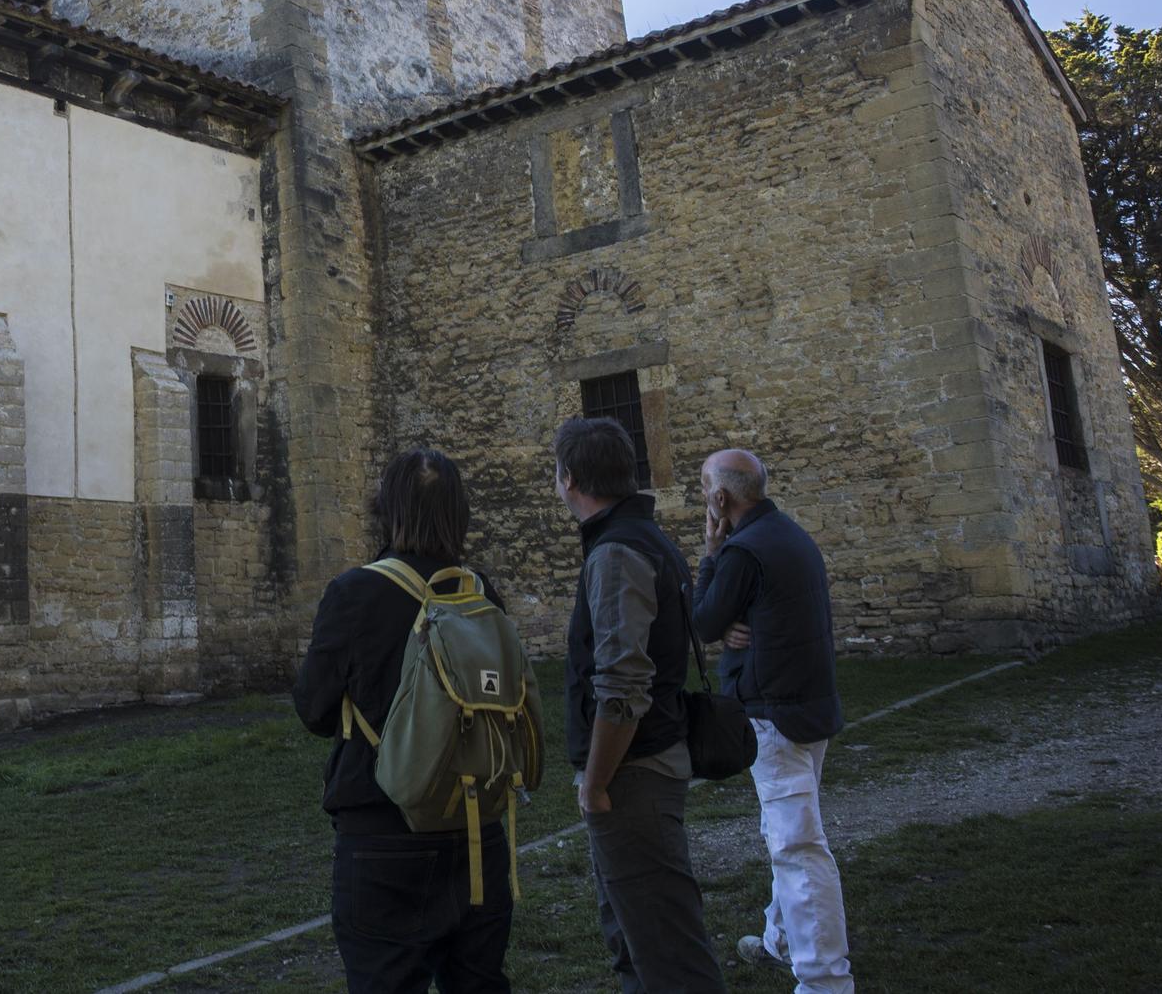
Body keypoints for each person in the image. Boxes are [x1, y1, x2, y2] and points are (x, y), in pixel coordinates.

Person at [293, 448, 517, 994]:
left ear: (386, 510)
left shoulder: (355, 593)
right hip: (476, 827)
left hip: (384, 828)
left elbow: (315, 710)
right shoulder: (481, 593)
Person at [555, 416, 727, 994]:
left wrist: (596, 781)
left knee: (666, 951)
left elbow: (624, 681)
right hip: (645, 766)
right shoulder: (643, 538)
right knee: (635, 941)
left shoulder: (617, 552)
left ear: (569, 477)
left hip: (633, 776)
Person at [690, 449, 854, 993]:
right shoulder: (791, 535)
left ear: (721, 498)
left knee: (797, 846)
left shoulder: (743, 551)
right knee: (786, 832)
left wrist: (712, 553)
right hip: (810, 705)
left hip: (775, 715)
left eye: (705, 490)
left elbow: (705, 620)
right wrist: (742, 617)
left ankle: (825, 980)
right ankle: (780, 939)